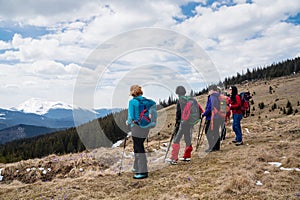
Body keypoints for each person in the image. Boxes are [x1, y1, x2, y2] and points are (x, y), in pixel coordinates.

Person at [168, 86, 203, 164]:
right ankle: (187, 156)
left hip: (183, 122)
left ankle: (174, 158)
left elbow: (178, 113)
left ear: (177, 92)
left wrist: (177, 123)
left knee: (177, 139)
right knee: (187, 138)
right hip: (189, 122)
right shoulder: (190, 99)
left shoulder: (180, 100)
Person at [126, 85, 150, 179]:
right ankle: (136, 167)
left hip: (136, 127)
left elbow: (131, 117)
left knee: (139, 148)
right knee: (138, 146)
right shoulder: (146, 101)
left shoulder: (132, 102)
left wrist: (128, 122)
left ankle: (143, 172)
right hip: (146, 127)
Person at [202, 85, 224, 152]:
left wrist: (204, 114)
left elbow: (210, 108)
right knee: (216, 132)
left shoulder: (212, 97)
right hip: (218, 117)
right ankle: (217, 147)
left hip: (211, 118)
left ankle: (212, 147)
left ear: (211, 90)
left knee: (208, 132)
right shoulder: (219, 96)